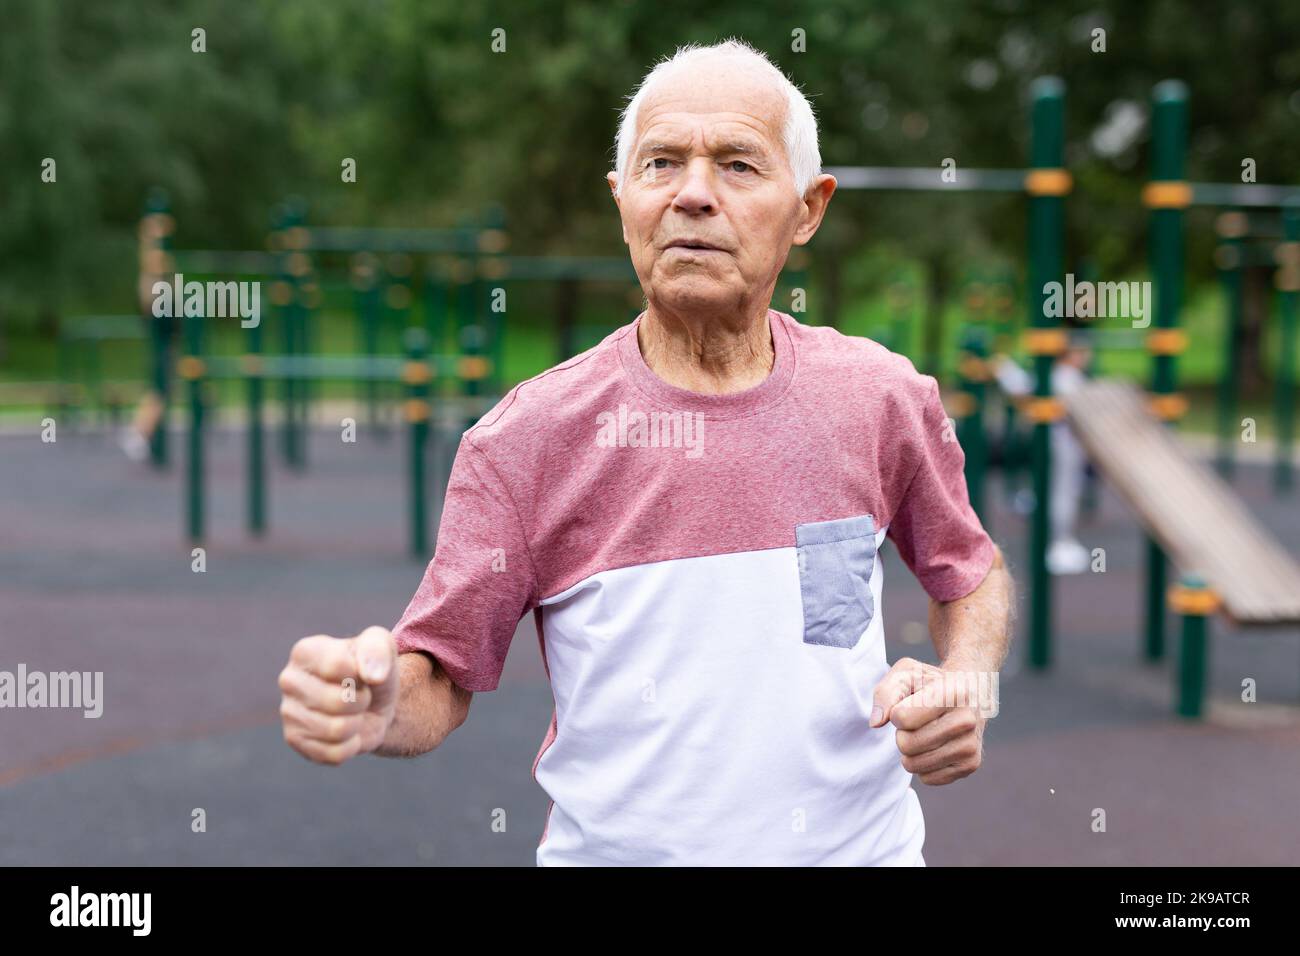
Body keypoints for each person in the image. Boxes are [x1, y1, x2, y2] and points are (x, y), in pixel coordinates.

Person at [278, 39, 1014, 866]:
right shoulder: (525, 439)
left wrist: (968, 682)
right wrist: (378, 707)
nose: (692, 195)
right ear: (622, 197)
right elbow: (440, 672)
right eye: (661, 163)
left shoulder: (878, 397)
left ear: (808, 209)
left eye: (738, 165)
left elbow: (970, 571)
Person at [992, 336, 1094, 575]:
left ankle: (1059, 541)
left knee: (1058, 490)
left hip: (1057, 440)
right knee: (1064, 491)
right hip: (1065, 442)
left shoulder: (1056, 375)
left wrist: (1005, 371)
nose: (1086, 358)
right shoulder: (1067, 376)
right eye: (1082, 353)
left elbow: (1022, 387)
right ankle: (1060, 543)